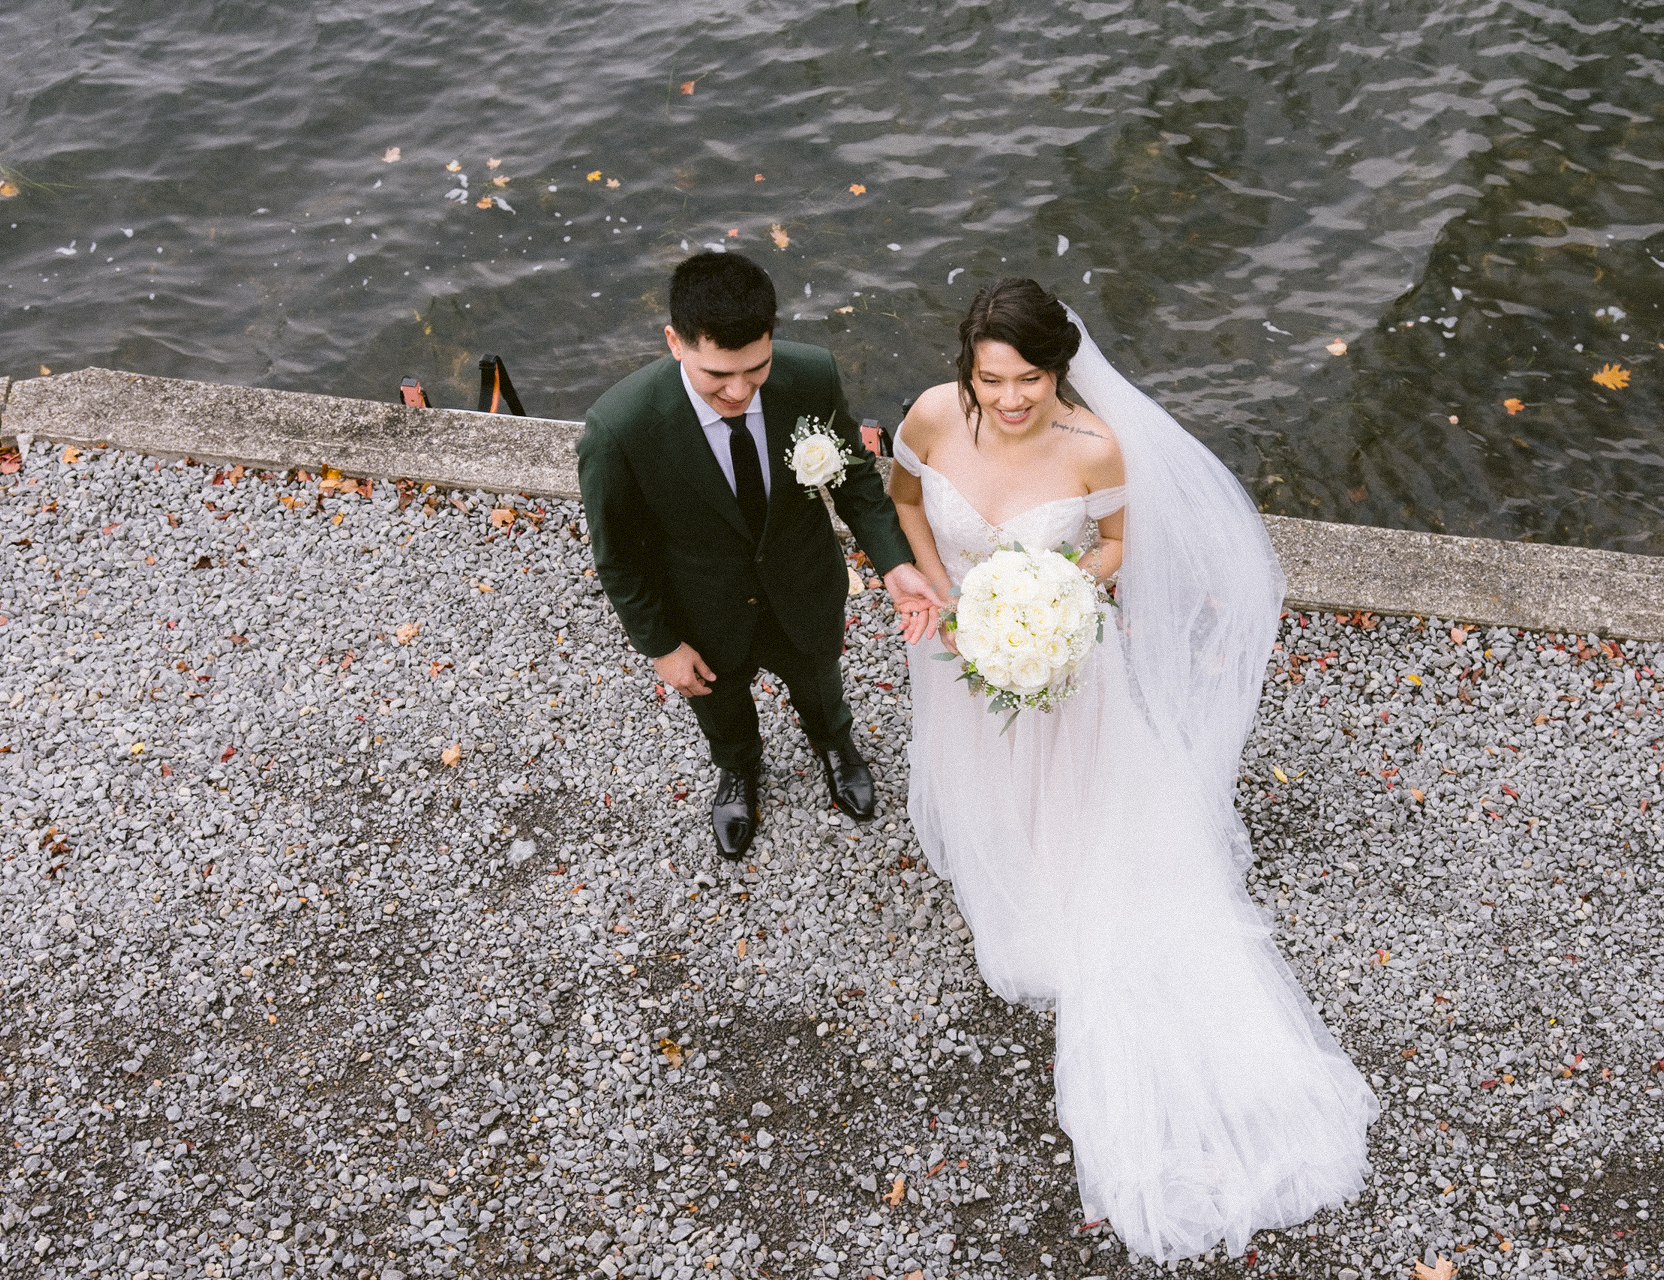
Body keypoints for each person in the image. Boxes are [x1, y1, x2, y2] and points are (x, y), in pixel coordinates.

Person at [889, 278, 1379, 1261]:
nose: (1012, 398)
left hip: (1064, 658)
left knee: (1080, 805)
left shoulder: (1092, 445)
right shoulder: (935, 417)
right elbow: (904, 502)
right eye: (994, 377)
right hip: (956, 647)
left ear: (1058, 370)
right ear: (966, 369)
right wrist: (940, 589)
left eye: (1029, 378)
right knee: (977, 761)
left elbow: (1115, 545)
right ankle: (1006, 842)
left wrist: (1055, 587)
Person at [577, 252, 940, 859]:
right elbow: (619, 559)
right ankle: (739, 767)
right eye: (717, 374)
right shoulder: (621, 427)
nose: (740, 391)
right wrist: (664, 646)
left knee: (820, 681)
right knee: (720, 704)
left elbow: (854, 482)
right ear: (675, 341)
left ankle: (833, 744)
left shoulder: (810, 376)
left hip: (804, 584)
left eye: (757, 367)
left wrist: (897, 567)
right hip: (704, 610)